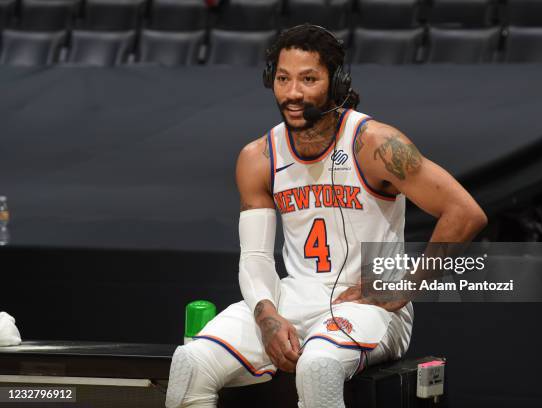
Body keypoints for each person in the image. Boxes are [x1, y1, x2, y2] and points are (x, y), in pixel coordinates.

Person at [165, 24, 487, 408]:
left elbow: (465, 213)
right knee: (189, 364)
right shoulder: (259, 157)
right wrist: (267, 315)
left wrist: (406, 285)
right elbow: (255, 259)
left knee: (317, 367)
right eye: (283, 79)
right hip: (296, 295)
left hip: (368, 304)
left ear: (337, 82)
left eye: (308, 79)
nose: (293, 93)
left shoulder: (376, 145)